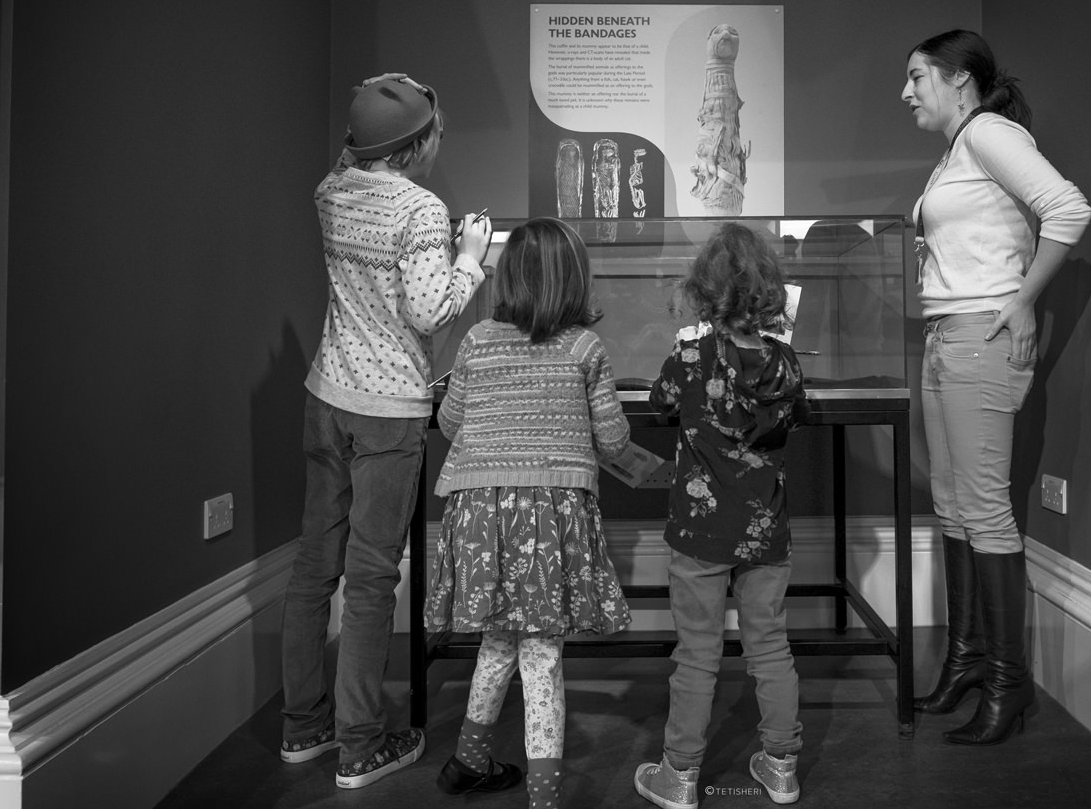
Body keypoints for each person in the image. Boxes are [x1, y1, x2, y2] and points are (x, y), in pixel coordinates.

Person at [279, 73, 493, 789]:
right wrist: (473, 254)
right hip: (387, 413)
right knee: (372, 578)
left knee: (316, 566)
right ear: (414, 146)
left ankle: (303, 729)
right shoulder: (421, 209)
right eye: (433, 130)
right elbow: (431, 310)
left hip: (325, 395)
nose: (439, 139)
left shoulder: (328, 190)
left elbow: (351, 162)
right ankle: (360, 745)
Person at [902, 30, 1091, 745]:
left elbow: (1068, 209)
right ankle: (968, 660)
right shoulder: (957, 152)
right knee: (952, 505)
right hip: (947, 335)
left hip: (981, 335)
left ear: (959, 80)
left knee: (982, 510)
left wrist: (1021, 300)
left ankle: (1008, 684)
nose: (907, 92)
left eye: (917, 77)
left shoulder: (988, 133)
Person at [425, 217, 634, 809]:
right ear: (575, 280)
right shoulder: (584, 347)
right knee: (542, 650)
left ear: (506, 276)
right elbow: (614, 440)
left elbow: (449, 423)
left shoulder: (476, 342)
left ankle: (467, 761)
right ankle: (544, 795)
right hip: (547, 517)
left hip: (480, 512)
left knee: (499, 638)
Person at [634, 222, 812, 809]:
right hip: (767, 530)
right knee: (770, 647)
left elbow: (660, 401)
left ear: (705, 291)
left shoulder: (690, 358)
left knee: (697, 653)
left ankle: (681, 774)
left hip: (699, 532)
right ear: (769, 292)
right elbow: (795, 413)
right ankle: (782, 766)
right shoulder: (787, 365)